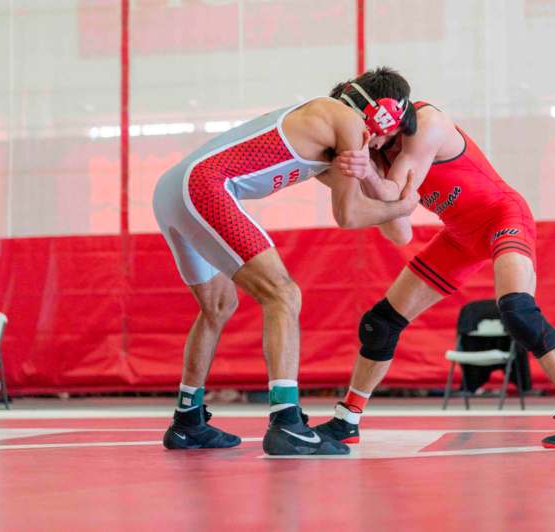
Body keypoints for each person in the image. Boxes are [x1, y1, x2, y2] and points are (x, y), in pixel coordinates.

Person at [315, 70, 555, 449]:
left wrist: (367, 175)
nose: (359, 137)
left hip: (502, 216)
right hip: (459, 237)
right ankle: (346, 421)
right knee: (380, 324)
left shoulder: (427, 125)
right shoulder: (378, 153)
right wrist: (363, 172)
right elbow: (400, 231)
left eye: (358, 126)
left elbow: (391, 192)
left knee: (518, 310)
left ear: (384, 116)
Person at [152, 69, 420, 455]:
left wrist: (393, 199)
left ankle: (187, 420)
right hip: (204, 186)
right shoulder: (345, 121)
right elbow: (349, 217)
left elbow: (397, 231)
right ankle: (286, 422)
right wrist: (405, 202)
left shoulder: (323, 129)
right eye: (387, 138)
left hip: (173, 189)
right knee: (284, 294)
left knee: (218, 307)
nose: (379, 147)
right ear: (382, 117)